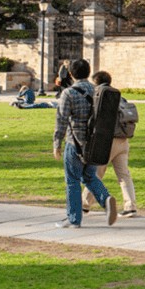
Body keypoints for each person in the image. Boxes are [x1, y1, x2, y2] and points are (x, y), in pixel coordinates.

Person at [51, 58, 117, 228]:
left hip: (75, 143)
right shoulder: (98, 91)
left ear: (71, 74)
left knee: (72, 180)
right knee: (89, 176)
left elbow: (62, 120)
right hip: (94, 143)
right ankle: (105, 198)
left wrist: (56, 143)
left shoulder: (69, 93)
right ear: (89, 73)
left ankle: (74, 219)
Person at [82, 71, 138, 218]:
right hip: (123, 140)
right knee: (124, 175)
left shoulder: (99, 96)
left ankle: (84, 205)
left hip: (106, 141)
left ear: (96, 82)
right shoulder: (120, 96)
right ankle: (130, 206)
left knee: (95, 174)